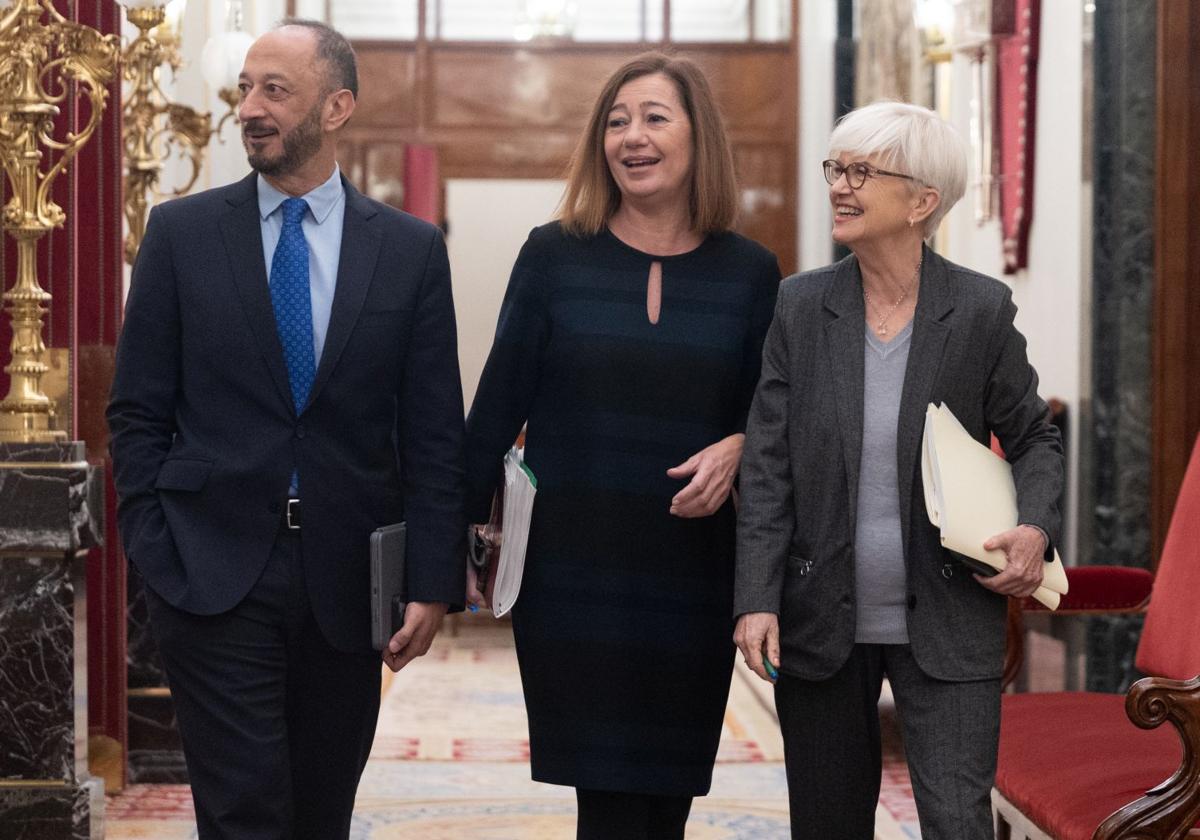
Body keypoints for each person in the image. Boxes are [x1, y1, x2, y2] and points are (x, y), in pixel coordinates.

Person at [107, 20, 465, 839]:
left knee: (320, 813)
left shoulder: (408, 251)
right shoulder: (180, 236)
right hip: (210, 571)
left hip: (348, 582)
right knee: (243, 813)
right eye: (244, 89)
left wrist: (432, 580)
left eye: (276, 90)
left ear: (336, 106)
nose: (251, 109)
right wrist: (153, 545)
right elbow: (136, 411)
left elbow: (435, 430)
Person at [463, 52, 780, 840]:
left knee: (665, 801)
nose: (631, 138)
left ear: (696, 136)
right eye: (615, 121)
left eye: (653, 118)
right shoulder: (552, 256)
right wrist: (439, 559)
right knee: (603, 803)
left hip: (693, 575)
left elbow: (777, 419)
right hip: (573, 574)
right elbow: (495, 408)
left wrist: (740, 444)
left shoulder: (751, 275)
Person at [733, 100, 1064, 840]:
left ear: (922, 202)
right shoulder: (800, 305)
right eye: (836, 169)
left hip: (949, 615)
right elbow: (767, 465)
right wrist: (756, 597)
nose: (840, 187)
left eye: (862, 172)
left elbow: (1037, 439)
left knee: (955, 822)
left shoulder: (979, 310)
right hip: (820, 619)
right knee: (827, 825)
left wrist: (1035, 526)